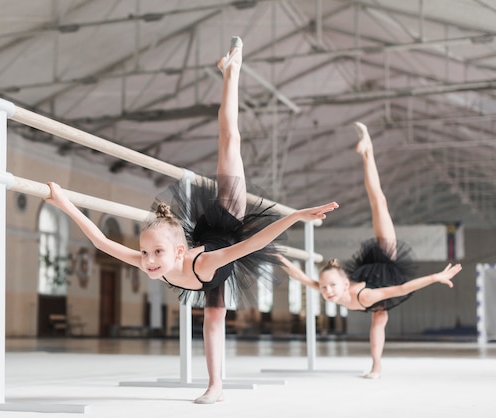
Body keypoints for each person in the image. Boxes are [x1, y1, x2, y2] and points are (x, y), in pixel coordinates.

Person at [45, 36, 339, 403]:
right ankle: (216, 386)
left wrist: (292, 215)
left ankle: (232, 71)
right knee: (213, 319)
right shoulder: (165, 260)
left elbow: (257, 242)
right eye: (146, 253)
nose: (149, 262)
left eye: (155, 254)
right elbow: (103, 243)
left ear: (178, 251)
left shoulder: (198, 260)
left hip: (224, 231)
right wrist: (65, 203)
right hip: (223, 235)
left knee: (229, 141)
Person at [279, 121, 462, 379]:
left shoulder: (363, 296)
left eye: (330, 286)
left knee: (380, 203)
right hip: (375, 283)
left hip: (384, 265)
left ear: (345, 284)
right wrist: (275, 255)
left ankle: (368, 151)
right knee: (379, 319)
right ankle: (376, 366)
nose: (326, 292)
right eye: (324, 287)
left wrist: (435, 277)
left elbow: (400, 289)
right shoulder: (336, 291)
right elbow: (302, 277)